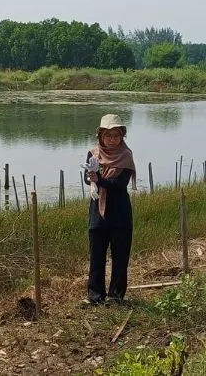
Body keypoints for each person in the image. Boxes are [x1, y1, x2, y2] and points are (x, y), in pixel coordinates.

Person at [83, 113, 137, 304]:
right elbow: (87, 178)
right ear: (100, 136)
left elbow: (120, 183)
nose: (112, 139)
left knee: (120, 256)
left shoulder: (126, 156)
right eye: (108, 135)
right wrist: (92, 177)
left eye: (116, 135)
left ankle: (116, 296)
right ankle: (95, 296)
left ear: (122, 136)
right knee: (96, 255)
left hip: (119, 211)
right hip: (97, 211)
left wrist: (100, 179)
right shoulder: (93, 153)